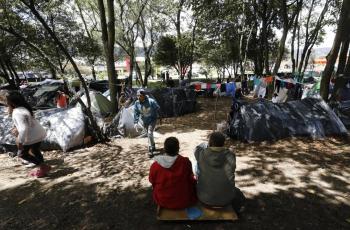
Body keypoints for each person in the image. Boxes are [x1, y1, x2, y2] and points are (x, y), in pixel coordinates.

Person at [194, 132, 245, 213]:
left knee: (197, 166)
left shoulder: (201, 154)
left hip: (204, 200)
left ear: (210, 143)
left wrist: (206, 145)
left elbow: (197, 149)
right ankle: (239, 207)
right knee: (238, 192)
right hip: (226, 201)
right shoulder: (230, 155)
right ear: (223, 143)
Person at [6, 91, 50, 177]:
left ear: (11, 103)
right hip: (40, 133)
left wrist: (20, 141)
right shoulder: (24, 108)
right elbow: (25, 124)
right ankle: (42, 169)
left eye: (7, 102)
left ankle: (43, 166)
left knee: (22, 154)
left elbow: (23, 128)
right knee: (35, 150)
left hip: (32, 136)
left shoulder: (16, 112)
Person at [149, 137, 197, 209]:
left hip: (163, 200)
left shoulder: (155, 166)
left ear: (164, 149)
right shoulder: (185, 162)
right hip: (183, 200)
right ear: (178, 149)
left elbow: (151, 180)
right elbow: (190, 179)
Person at [134, 89, 160, 157]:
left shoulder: (151, 101)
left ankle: (150, 149)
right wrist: (135, 122)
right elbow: (136, 113)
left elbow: (157, 108)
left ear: (144, 95)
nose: (138, 97)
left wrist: (155, 114)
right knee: (149, 134)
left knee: (149, 133)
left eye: (140, 96)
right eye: (137, 96)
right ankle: (153, 145)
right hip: (145, 121)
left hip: (152, 120)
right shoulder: (137, 103)